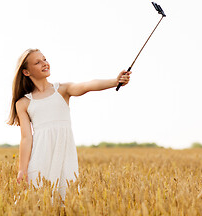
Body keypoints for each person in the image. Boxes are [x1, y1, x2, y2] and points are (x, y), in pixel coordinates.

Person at [7, 48, 131, 203]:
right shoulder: (24, 103)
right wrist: (22, 170)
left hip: (64, 155)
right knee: (36, 202)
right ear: (26, 72)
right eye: (37, 62)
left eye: (45, 59)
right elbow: (26, 139)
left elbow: (88, 85)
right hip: (40, 157)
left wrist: (115, 81)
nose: (44, 64)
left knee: (66, 201)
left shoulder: (62, 90)